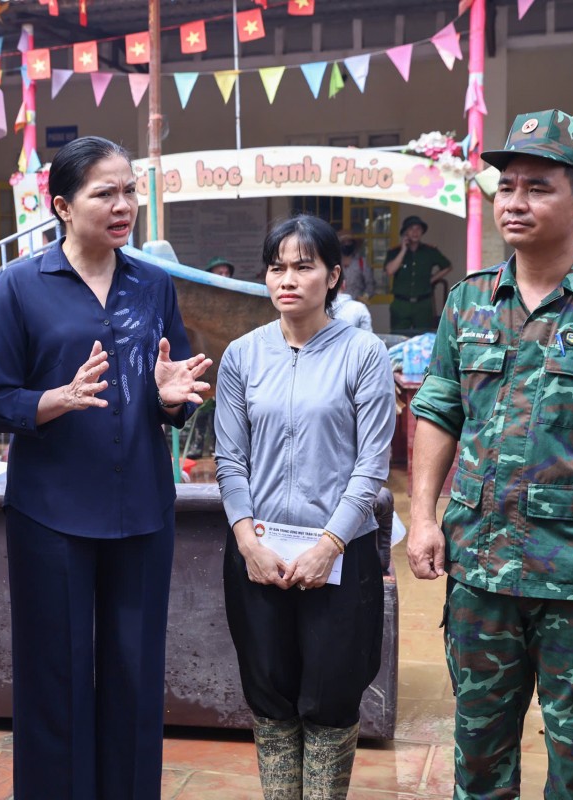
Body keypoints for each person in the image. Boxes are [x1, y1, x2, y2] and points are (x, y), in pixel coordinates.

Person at [407, 109, 573, 798]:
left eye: (538, 186)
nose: (515, 201)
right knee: (476, 756)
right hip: (480, 569)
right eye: (506, 186)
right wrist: (422, 516)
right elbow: (438, 411)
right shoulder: (469, 303)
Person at [0, 135, 211, 800]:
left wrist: (170, 401)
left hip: (140, 510)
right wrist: (58, 400)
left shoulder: (153, 284)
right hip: (49, 515)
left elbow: (172, 387)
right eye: (104, 192)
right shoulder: (20, 285)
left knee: (135, 680)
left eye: (130, 190)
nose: (124, 204)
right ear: (61, 205)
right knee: (56, 679)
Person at [215, 214, 394, 799]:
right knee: (269, 691)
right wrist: (246, 541)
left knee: (331, 696)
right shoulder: (243, 355)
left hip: (340, 556)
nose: (287, 279)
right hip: (258, 553)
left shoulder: (363, 353)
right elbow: (229, 461)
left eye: (303, 266)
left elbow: (371, 466)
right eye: (277, 267)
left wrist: (330, 545)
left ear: (333, 275)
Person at [385, 215, 451, 333]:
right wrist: (403, 250)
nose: (415, 232)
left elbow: (447, 266)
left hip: (423, 304)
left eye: (418, 229)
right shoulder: (394, 251)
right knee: (399, 338)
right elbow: (390, 271)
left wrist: (431, 279)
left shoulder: (429, 251)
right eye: (411, 229)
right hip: (401, 304)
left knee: (424, 337)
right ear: (405, 232)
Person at [338, 229, 375, 301]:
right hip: (337, 306)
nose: (347, 244)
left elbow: (370, 283)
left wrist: (365, 296)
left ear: (353, 244)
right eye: (344, 242)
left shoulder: (361, 262)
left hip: (356, 304)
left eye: (349, 242)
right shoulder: (333, 263)